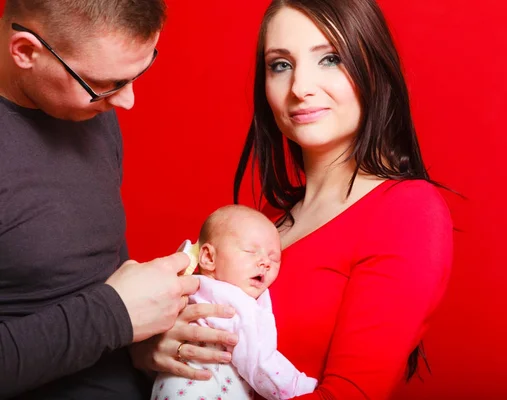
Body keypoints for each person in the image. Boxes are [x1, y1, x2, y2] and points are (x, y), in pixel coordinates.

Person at [134, 0, 453, 398]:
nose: (300, 87)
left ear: (375, 69)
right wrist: (152, 353)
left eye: (330, 58)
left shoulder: (407, 212)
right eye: (280, 65)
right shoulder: (266, 221)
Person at [0, 1, 235, 399]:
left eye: (137, 74)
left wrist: (143, 340)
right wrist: (114, 317)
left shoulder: (89, 110)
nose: (127, 102)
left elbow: (102, 275)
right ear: (25, 51)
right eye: (105, 83)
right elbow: (109, 310)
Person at [152, 205, 317, 400]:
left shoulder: (193, 288)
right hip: (203, 390)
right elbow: (258, 361)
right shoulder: (234, 302)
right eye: (250, 251)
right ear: (208, 257)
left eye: (274, 258)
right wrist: (300, 387)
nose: (265, 262)